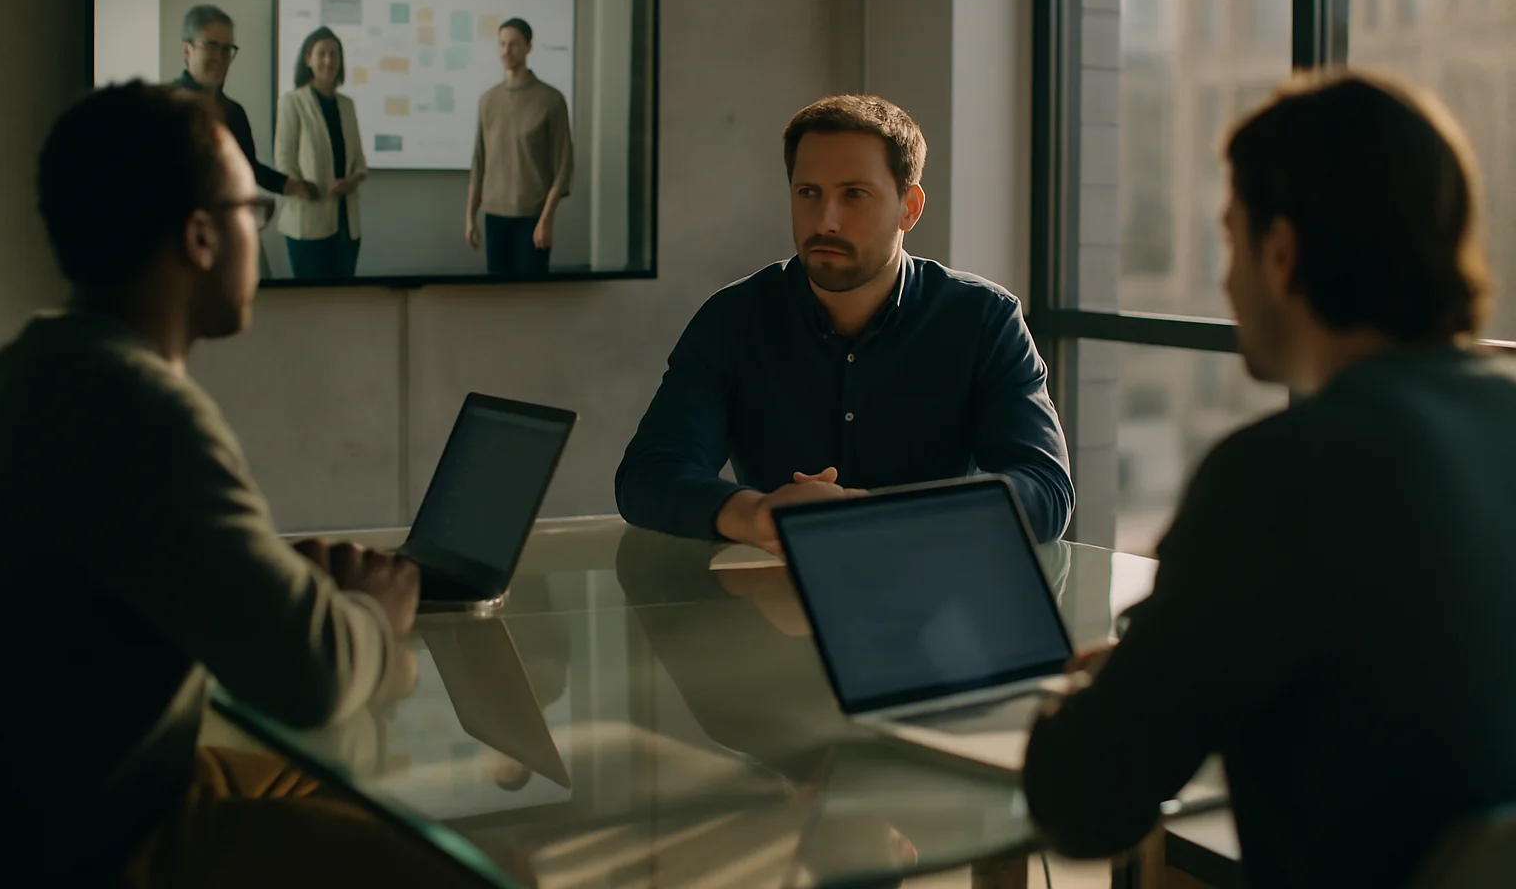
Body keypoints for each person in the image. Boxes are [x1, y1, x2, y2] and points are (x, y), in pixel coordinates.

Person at [1023, 71, 1516, 889]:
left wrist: (1106, 690)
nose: (1225, 281)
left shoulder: (1283, 473)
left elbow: (1083, 804)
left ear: (1281, 254)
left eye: (1230, 238)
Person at [0, 82, 474, 887]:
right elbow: (310, 680)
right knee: (495, 870)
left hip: (45, 821)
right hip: (119, 846)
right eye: (255, 208)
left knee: (348, 794)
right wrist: (374, 619)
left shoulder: (23, 373)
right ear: (202, 237)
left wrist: (283, 587)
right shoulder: (142, 410)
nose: (260, 229)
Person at [615, 94, 1074, 552]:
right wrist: (759, 515)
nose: (825, 221)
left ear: (908, 208)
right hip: (774, 598)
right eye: (808, 193)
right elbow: (648, 475)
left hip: (934, 601)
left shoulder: (983, 318)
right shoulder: (734, 318)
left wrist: (879, 517)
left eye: (854, 195)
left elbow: (1045, 489)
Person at [172, 4, 318, 278]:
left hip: (231, 234)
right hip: (179, 245)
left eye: (228, 49)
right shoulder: (164, 106)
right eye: (211, 46)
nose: (221, 57)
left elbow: (249, 168)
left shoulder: (234, 112)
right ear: (187, 50)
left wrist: (289, 186)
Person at [464, 17, 574, 277]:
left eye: (513, 44)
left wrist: (547, 218)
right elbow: (479, 162)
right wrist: (470, 216)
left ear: (528, 48)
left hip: (533, 216)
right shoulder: (488, 100)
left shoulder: (551, 100)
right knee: (499, 299)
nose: (506, 50)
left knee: (531, 298)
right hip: (495, 214)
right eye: (502, 44)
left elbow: (564, 164)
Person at [275, 26, 368, 280]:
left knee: (344, 305)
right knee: (313, 305)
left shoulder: (347, 106)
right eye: (322, 54)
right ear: (308, 60)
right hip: (307, 224)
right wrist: (301, 186)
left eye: (334, 54)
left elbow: (360, 164)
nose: (329, 60)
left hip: (346, 227)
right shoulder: (292, 102)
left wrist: (352, 181)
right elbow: (284, 161)